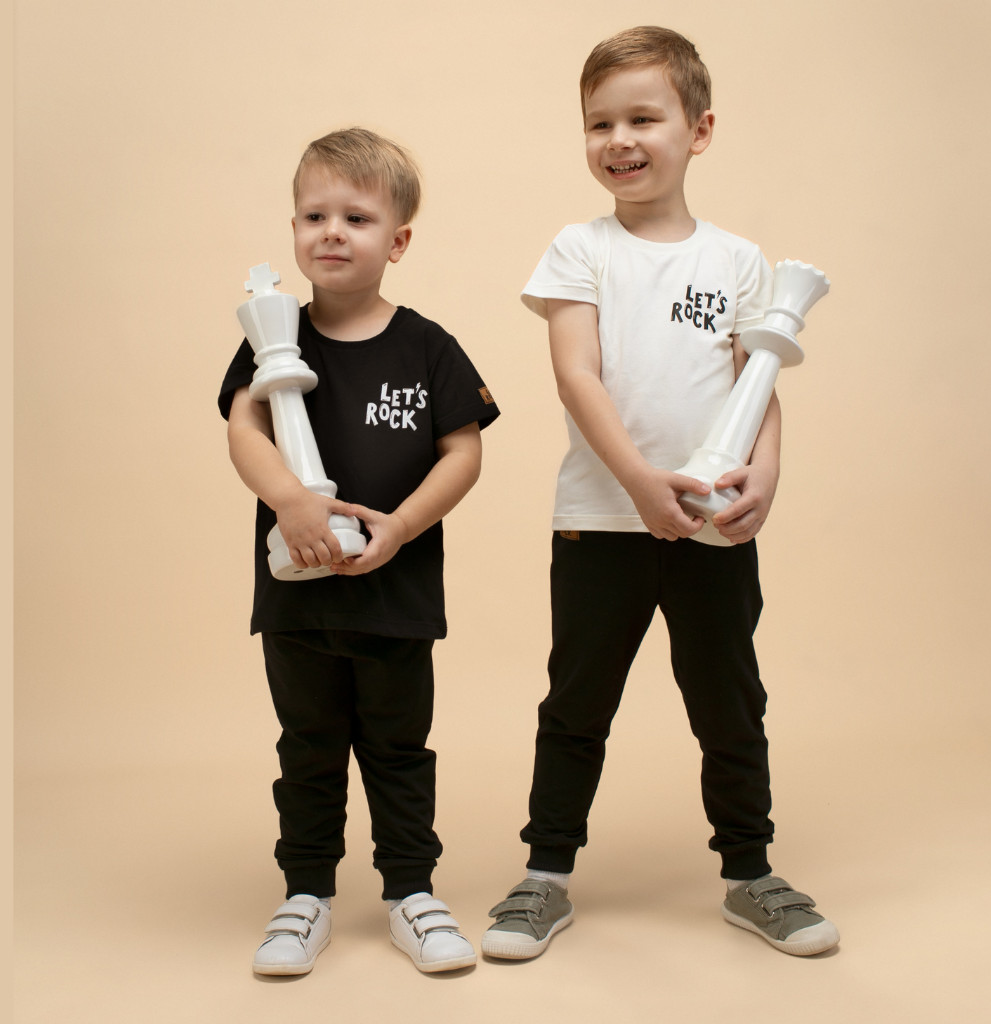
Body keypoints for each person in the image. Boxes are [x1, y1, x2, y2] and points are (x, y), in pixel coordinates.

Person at [480, 26, 838, 960]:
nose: (619, 139)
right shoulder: (579, 248)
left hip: (715, 529)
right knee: (577, 704)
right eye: (599, 122)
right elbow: (577, 377)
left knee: (730, 703)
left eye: (643, 118)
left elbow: (760, 382)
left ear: (699, 130)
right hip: (601, 522)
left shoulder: (738, 260)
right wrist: (639, 484)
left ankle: (750, 873)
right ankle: (543, 877)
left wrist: (766, 473)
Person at [219, 127, 499, 976]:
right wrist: (290, 499)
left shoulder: (428, 346)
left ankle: (412, 893)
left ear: (397, 241)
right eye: (315, 216)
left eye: (357, 217)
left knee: (398, 750)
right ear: (294, 231)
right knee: (307, 747)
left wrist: (402, 527)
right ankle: (305, 896)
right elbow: (244, 426)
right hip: (298, 601)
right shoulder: (272, 337)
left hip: (394, 597)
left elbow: (463, 452)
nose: (332, 232)